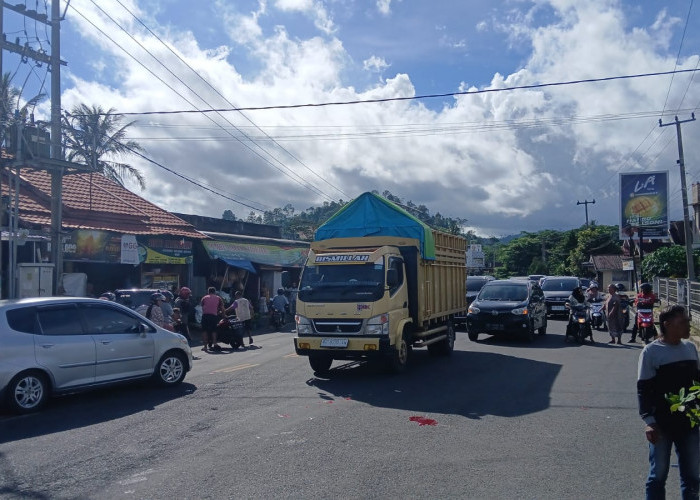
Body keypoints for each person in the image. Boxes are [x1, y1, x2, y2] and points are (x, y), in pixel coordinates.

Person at [637, 305, 700, 499]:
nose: (688, 326)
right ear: (667, 325)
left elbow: (696, 385)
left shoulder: (690, 348)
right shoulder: (651, 352)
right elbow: (644, 389)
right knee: (658, 475)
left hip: (688, 422)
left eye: (688, 322)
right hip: (661, 424)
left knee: (692, 476)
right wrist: (649, 421)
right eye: (683, 322)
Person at [200, 287, 225, 352]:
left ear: (208, 291)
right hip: (213, 316)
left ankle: (205, 347)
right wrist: (224, 316)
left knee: (204, 330)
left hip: (205, 316)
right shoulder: (218, 298)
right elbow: (222, 308)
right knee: (214, 330)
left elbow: (202, 306)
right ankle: (215, 343)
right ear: (215, 292)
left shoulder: (204, 298)